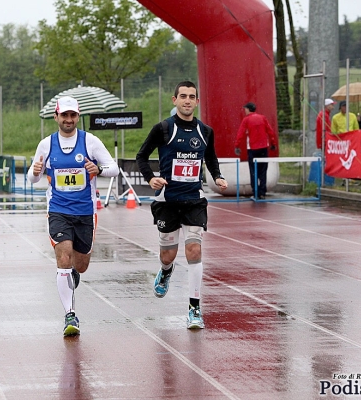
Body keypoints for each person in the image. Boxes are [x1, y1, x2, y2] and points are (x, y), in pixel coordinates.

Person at [136, 81, 227, 330]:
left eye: (192, 97)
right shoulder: (163, 128)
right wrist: (150, 178)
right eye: (183, 96)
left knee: (194, 251)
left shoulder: (205, 131)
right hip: (167, 200)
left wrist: (217, 176)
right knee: (169, 254)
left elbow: (210, 157)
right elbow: (141, 156)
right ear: (174, 99)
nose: (187, 101)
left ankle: (194, 308)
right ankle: (166, 270)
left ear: (197, 102)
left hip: (193, 199)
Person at [29, 96, 119, 336]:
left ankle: (74, 272)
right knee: (63, 256)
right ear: (56, 117)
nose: (68, 120)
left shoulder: (90, 142)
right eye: (64, 115)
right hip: (58, 210)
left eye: (73, 115)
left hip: (85, 212)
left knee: (81, 264)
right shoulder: (47, 144)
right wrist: (35, 171)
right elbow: (33, 176)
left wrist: (98, 169)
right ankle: (70, 315)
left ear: (78, 117)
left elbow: (114, 168)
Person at [234, 102, 277, 199]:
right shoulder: (263, 118)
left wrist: (237, 146)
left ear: (248, 109)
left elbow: (240, 133)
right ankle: (262, 191)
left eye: (245, 109)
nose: (244, 110)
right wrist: (273, 143)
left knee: (253, 171)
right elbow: (270, 131)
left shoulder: (246, 120)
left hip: (252, 149)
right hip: (263, 148)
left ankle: (255, 192)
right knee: (263, 170)